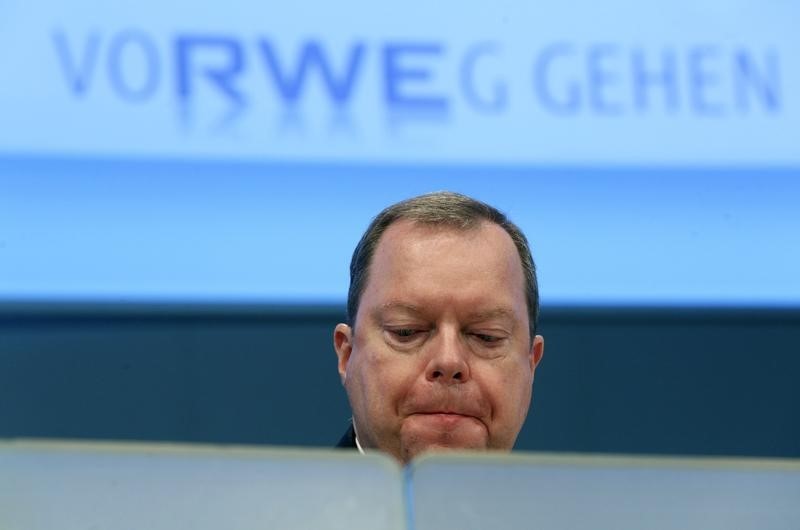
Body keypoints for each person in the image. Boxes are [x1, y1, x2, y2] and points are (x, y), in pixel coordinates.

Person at [333, 191, 544, 464]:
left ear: (532, 364)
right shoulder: (273, 508)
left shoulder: (587, 508)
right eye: (406, 332)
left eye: (486, 336)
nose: (448, 361)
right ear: (347, 355)